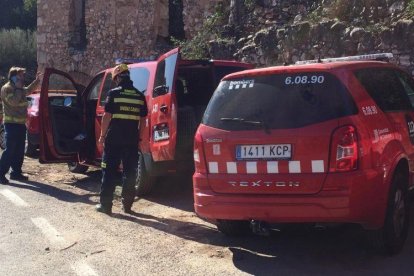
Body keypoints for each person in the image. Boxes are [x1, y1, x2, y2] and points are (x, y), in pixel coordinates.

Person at [96, 64, 148, 215]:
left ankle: (106, 206)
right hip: (131, 140)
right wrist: (140, 138)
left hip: (113, 140)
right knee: (130, 173)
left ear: (118, 77)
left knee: (109, 171)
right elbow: (143, 120)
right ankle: (127, 206)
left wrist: (101, 137)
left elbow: (106, 116)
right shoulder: (139, 96)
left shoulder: (113, 94)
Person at [0, 67, 41, 184]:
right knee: (10, 150)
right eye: (20, 76)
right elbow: (13, 102)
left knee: (19, 150)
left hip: (21, 125)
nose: (23, 78)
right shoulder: (6, 89)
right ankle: (1, 174)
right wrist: (18, 89)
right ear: (13, 77)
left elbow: (28, 91)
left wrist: (37, 81)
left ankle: (16, 173)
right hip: (11, 125)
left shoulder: (20, 88)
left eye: (23, 75)